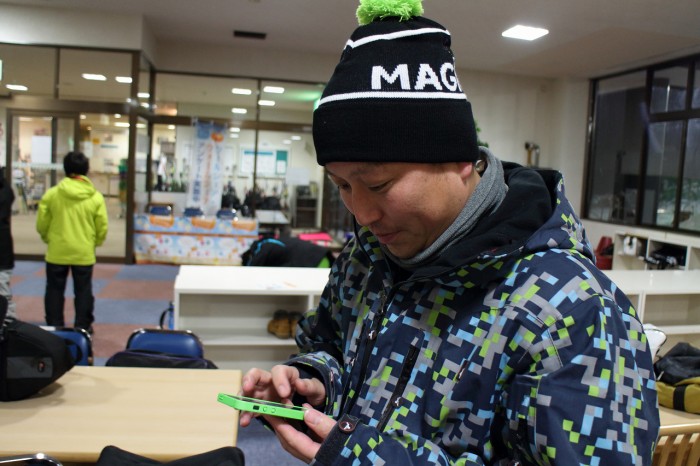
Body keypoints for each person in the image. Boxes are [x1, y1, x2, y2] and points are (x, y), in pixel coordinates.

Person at [239, 1, 660, 465]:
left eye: (377, 185)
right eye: (342, 185)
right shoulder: (368, 258)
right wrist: (315, 382)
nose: (362, 213)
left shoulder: (573, 311)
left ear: (459, 160)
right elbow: (332, 345)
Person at [36, 151, 108, 332]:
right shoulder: (96, 197)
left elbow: (42, 223)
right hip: (83, 251)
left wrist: (48, 238)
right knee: (83, 290)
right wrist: (95, 242)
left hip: (57, 250)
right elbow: (102, 226)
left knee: (54, 290)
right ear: (86, 170)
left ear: (65, 169)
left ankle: (55, 327)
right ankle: (82, 328)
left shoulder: (52, 194)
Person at [0, 166, 17, 321]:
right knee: (3, 289)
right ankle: (8, 322)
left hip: (2, 249)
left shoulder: (4, 190)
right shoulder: (6, 188)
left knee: (3, 290)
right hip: (4, 247)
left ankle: (8, 322)